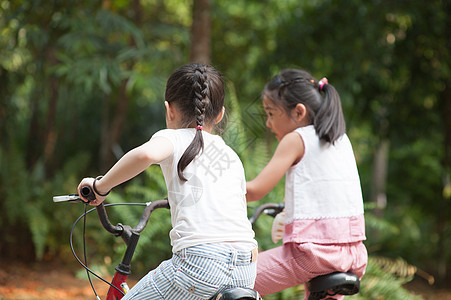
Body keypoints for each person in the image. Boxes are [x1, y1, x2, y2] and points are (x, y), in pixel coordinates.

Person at [78, 63, 258, 300]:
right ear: (221, 113)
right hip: (247, 269)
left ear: (169, 110)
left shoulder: (172, 137)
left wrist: (100, 187)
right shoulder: (231, 156)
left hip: (199, 266)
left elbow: (145, 155)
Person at [246, 69, 367, 299]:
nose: (268, 123)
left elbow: (254, 190)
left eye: (271, 114)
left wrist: (213, 191)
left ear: (299, 112)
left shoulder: (296, 139)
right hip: (354, 255)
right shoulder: (340, 139)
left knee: (233, 279)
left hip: (314, 255)